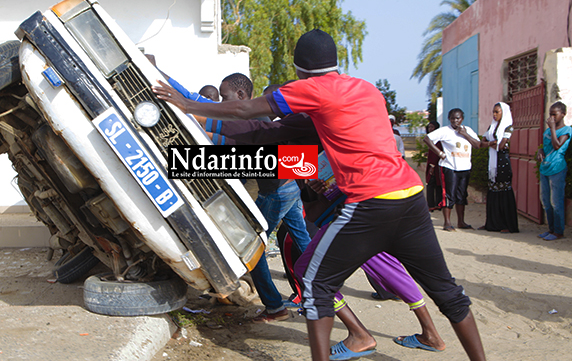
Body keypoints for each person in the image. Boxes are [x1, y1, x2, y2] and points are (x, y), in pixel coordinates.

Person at [153, 29, 485, 361]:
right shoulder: (366, 90)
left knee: (311, 279)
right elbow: (283, 138)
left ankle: (344, 330)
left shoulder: (311, 90)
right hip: (410, 195)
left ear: (298, 70)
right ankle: (384, 336)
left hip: (368, 202)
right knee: (447, 291)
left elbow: (249, 118)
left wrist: (186, 104)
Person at [205, 93, 447, 355]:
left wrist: (198, 118)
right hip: (375, 210)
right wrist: (316, 184)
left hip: (352, 216)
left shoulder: (308, 128)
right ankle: (429, 334)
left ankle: (356, 333)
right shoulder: (343, 131)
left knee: (305, 267)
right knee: (385, 267)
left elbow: (274, 155)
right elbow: (305, 176)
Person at [199, 74, 311, 323]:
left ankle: (274, 306)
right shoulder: (253, 117)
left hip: (276, 190)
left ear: (240, 96)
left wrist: (211, 140)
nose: (221, 101)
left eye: (224, 97)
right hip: (289, 183)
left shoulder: (254, 119)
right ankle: (326, 290)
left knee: (253, 246)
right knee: (303, 239)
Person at [424, 108, 486, 232]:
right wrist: (439, 153)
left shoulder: (468, 130)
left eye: (457, 118)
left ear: (462, 119)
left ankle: (461, 221)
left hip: (465, 168)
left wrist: (465, 134)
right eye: (452, 118)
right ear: (449, 119)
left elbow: (478, 145)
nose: (455, 121)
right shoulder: (445, 131)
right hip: (449, 167)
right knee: (448, 194)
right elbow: (427, 139)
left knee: (461, 195)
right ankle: (447, 222)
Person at [479, 103, 519, 233]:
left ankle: (508, 225)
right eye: (493, 112)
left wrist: (491, 144)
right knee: (492, 193)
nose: (494, 115)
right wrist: (492, 143)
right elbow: (482, 142)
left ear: (504, 112)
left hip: (502, 163)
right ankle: (492, 223)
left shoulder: (508, 127)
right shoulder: (492, 126)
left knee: (504, 193)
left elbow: (501, 146)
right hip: (492, 164)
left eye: (497, 112)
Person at [537, 101, 571, 241]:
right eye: (550, 114)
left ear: (563, 114)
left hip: (557, 169)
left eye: (554, 114)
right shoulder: (547, 131)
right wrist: (540, 151)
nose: (551, 117)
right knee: (545, 201)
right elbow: (544, 147)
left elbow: (557, 146)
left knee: (556, 201)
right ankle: (551, 229)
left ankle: (559, 232)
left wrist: (552, 128)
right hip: (544, 169)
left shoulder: (567, 130)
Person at [425, 121, 444, 212]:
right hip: (433, 165)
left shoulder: (437, 140)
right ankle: (434, 204)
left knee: (432, 185)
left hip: (435, 166)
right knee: (434, 184)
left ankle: (434, 204)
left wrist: (432, 166)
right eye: (429, 127)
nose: (430, 129)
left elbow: (436, 154)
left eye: (432, 127)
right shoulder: (431, 139)